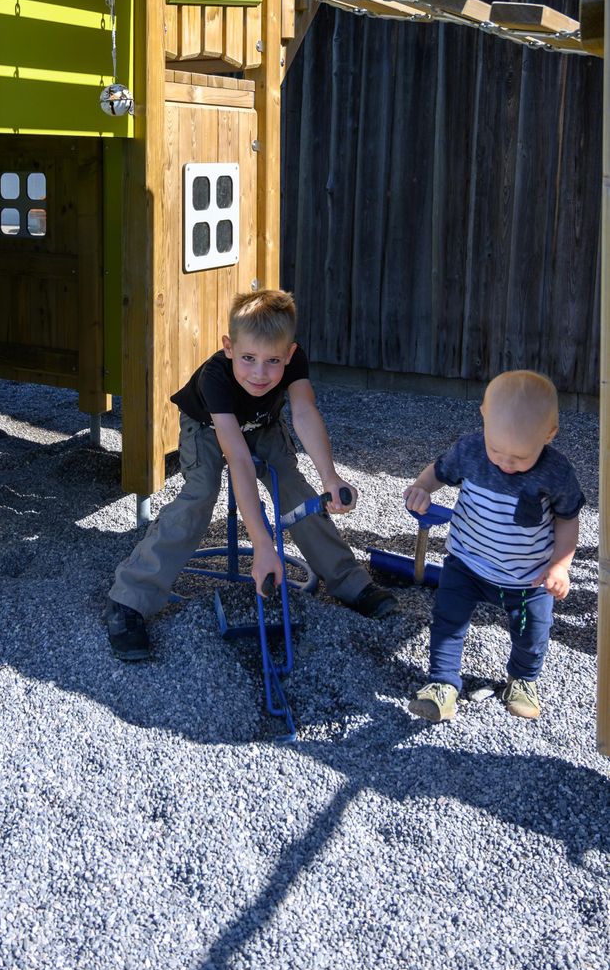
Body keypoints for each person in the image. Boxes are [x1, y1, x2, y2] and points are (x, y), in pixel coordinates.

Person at [105, 289, 397, 660]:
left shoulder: (294, 360)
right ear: (228, 347)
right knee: (200, 494)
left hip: (262, 424)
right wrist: (262, 545)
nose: (260, 373)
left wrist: (331, 477)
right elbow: (239, 460)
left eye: (273, 360)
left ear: (290, 354)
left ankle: (350, 581)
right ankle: (129, 599)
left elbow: (304, 412)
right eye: (247, 358)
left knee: (295, 487)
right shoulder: (216, 377)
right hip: (209, 428)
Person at [404, 370, 584, 723]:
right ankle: (442, 683)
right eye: (497, 450)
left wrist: (560, 565)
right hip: (467, 562)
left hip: (528, 577)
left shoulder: (556, 473)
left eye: (519, 458)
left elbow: (568, 519)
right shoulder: (470, 450)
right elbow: (438, 471)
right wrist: (422, 488)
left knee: (532, 631)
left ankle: (522, 680)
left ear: (549, 435)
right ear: (484, 415)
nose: (505, 463)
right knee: (447, 620)